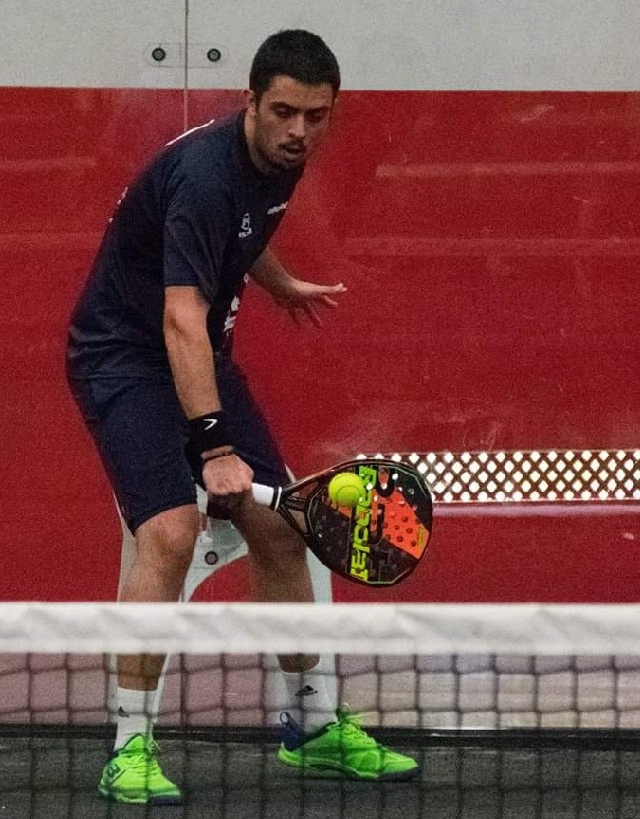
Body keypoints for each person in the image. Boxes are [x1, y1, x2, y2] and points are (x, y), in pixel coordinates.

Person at [66, 29, 419, 805]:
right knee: (169, 532)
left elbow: (234, 235)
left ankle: (311, 725)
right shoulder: (205, 175)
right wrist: (214, 446)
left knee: (282, 529)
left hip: (195, 352)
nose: (300, 131)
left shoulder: (275, 161)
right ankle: (129, 745)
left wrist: (278, 281)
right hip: (123, 358)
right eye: (284, 112)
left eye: (316, 116)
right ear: (250, 102)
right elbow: (180, 318)